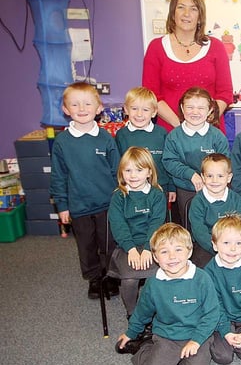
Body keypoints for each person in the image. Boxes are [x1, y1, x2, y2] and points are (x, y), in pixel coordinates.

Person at [116, 223, 220, 365]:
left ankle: (180, 357)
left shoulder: (202, 279)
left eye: (178, 250)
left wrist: (197, 340)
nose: (172, 257)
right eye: (164, 252)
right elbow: (143, 311)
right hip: (167, 336)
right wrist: (131, 333)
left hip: (196, 334)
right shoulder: (153, 283)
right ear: (156, 257)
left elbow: (212, 314)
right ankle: (145, 348)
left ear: (189, 252)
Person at [49, 81, 120, 299]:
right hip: (79, 206)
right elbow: (58, 176)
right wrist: (62, 205)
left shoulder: (106, 138)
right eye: (75, 105)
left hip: (107, 203)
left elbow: (117, 171)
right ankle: (94, 279)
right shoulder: (62, 142)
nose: (82, 109)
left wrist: (121, 198)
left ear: (99, 108)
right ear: (65, 109)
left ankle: (110, 276)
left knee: (109, 243)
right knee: (87, 245)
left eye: (88, 104)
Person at [142, 0, 233, 133]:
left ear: (200, 17)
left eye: (193, 9)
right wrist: (182, 126)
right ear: (173, 14)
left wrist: (203, 124)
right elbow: (151, 95)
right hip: (170, 132)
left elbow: (225, 93)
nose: (186, 14)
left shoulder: (216, 47)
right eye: (181, 7)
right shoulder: (156, 48)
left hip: (209, 132)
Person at [108, 147, 166, 346]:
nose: (133, 176)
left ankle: (154, 315)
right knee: (131, 278)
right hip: (127, 246)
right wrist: (132, 249)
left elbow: (156, 223)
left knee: (155, 276)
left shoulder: (157, 194)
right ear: (121, 172)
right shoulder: (119, 196)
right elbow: (118, 225)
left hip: (152, 243)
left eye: (139, 170)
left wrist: (149, 249)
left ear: (149, 172)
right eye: (128, 170)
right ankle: (134, 315)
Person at [162, 87, 230, 228]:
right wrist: (191, 175)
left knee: (214, 226)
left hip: (214, 189)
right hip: (185, 189)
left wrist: (211, 179)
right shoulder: (174, 136)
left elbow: (225, 163)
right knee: (189, 227)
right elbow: (169, 161)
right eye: (190, 107)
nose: (195, 112)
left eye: (200, 108)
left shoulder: (217, 136)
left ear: (210, 110)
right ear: (182, 107)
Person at [203, 215, 241, 365]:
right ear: (215, 245)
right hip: (222, 318)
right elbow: (214, 306)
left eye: (239, 243)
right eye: (226, 243)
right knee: (223, 357)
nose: (233, 248)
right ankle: (218, 335)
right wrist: (226, 332)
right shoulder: (209, 271)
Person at [115, 86, 175, 219]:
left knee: (160, 224)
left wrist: (172, 187)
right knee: (136, 222)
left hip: (160, 187)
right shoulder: (122, 135)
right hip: (132, 188)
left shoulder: (162, 133)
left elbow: (169, 161)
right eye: (134, 108)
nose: (139, 114)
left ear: (154, 112)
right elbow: (118, 164)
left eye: (145, 110)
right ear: (126, 109)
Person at [188, 153, 241, 268]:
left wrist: (231, 246)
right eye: (209, 176)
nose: (215, 180)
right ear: (203, 177)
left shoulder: (236, 199)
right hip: (207, 245)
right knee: (202, 265)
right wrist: (216, 247)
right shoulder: (198, 202)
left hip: (233, 244)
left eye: (220, 176)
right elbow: (199, 231)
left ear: (229, 178)